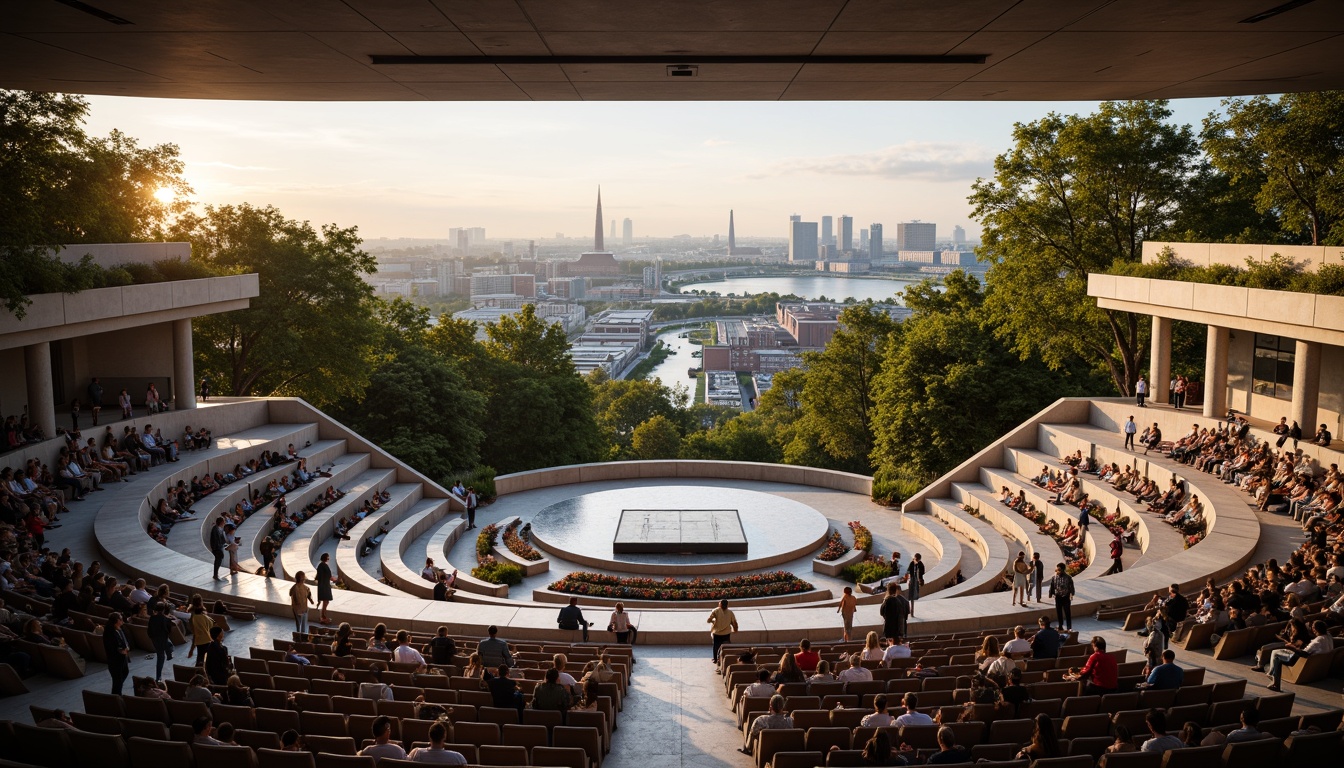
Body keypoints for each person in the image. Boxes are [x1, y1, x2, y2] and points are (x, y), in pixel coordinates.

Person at [1267, 619, 1333, 692]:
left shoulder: (1318, 641)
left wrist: (1293, 647)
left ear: (1315, 629)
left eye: (1313, 628)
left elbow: (1304, 653)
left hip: (1300, 660)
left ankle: (1274, 680)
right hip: (1316, 661)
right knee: (1278, 656)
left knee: (1276, 655)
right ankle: (1273, 677)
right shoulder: (1328, 636)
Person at [103, 611, 130, 695]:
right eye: (121, 619)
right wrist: (122, 651)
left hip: (123, 658)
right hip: (115, 660)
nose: (122, 621)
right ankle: (116, 696)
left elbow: (123, 641)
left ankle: (117, 692)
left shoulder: (119, 629)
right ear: (117, 620)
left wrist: (126, 648)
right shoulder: (109, 632)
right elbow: (114, 647)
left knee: (125, 672)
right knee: (117, 680)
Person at [147, 602, 174, 681]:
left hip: (154, 639)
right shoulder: (166, 619)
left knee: (166, 648)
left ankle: (169, 656)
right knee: (161, 657)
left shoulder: (152, 618)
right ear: (163, 610)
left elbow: (149, 629)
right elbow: (169, 630)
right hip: (162, 639)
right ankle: (158, 677)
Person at [707, 599, 737, 663]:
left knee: (716, 646)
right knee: (726, 646)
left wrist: (713, 621)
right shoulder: (730, 612)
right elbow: (734, 622)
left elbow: (709, 620)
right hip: (726, 633)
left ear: (720, 604)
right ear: (727, 605)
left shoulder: (716, 610)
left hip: (717, 633)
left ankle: (715, 659)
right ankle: (726, 658)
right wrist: (735, 629)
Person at [1048, 563, 1075, 630]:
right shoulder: (1054, 577)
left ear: (1063, 570)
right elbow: (1052, 586)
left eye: (1059, 569)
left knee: (1067, 612)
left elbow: (1071, 587)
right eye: (1057, 569)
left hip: (1066, 596)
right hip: (1058, 597)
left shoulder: (1068, 578)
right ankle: (1060, 625)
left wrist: (1072, 593)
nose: (1057, 571)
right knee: (1059, 612)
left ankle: (1069, 627)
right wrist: (1051, 593)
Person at [289, 571, 314, 638]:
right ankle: (298, 635)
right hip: (297, 609)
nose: (303, 579)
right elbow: (291, 593)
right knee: (299, 623)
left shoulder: (306, 588)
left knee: (304, 624)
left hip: (304, 608)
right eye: (302, 577)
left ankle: (303, 636)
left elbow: (308, 594)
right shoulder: (294, 588)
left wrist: (311, 600)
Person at [315, 553, 333, 624]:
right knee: (326, 601)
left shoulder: (320, 565)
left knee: (325, 601)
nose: (328, 559)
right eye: (328, 557)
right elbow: (329, 576)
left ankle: (323, 616)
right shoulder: (324, 566)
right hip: (324, 585)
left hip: (323, 585)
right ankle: (323, 617)